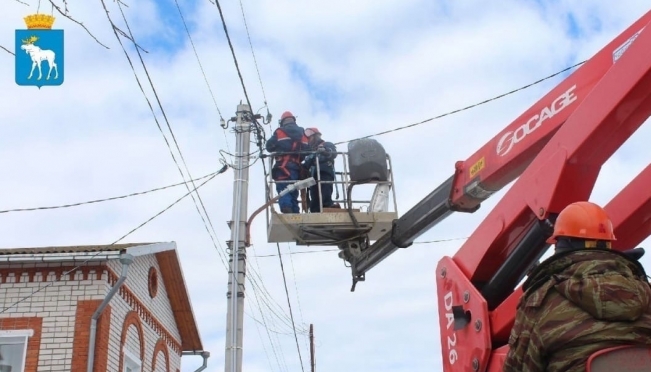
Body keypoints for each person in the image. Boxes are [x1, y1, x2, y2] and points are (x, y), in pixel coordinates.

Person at [503, 201, 651, 372]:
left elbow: (520, 367)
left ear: (561, 245)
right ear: (608, 244)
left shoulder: (541, 300)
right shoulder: (646, 293)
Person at [265, 111, 309, 213]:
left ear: (283, 121)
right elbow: (307, 150)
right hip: (296, 168)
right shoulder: (303, 134)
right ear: (293, 120)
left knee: (284, 189)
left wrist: (280, 149)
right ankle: (295, 212)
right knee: (293, 190)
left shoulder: (280, 132)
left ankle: (287, 209)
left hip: (283, 167)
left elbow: (269, 147)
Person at [302, 127, 338, 213]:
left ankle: (327, 206)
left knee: (325, 194)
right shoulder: (310, 152)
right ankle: (315, 211)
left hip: (324, 172)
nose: (309, 141)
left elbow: (333, 153)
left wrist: (325, 151)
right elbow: (306, 164)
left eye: (310, 138)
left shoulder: (326, 144)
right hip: (313, 177)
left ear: (315, 136)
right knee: (314, 197)